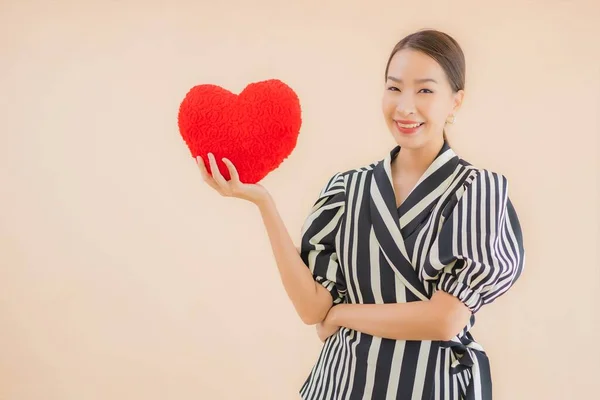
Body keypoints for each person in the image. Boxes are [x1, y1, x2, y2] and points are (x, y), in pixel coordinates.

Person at [196, 29, 525, 400]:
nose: (405, 107)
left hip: (430, 386)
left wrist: (342, 316)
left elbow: (445, 319)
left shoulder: (477, 190)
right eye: (394, 88)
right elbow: (312, 307)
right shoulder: (347, 188)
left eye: (425, 90)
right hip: (344, 384)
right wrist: (263, 203)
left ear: (456, 101)